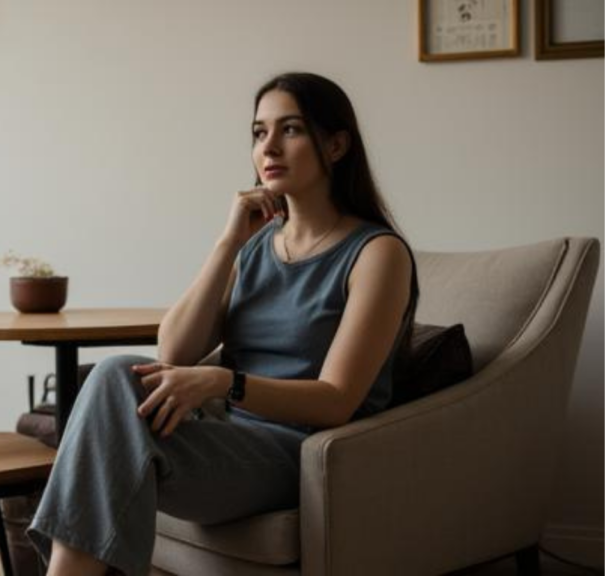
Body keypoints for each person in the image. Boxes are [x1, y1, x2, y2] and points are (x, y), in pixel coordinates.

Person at [27, 71, 419, 576]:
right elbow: (174, 348)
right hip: (227, 438)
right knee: (114, 374)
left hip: (300, 456)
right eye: (259, 133)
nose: (269, 148)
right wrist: (228, 242)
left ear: (337, 144)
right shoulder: (255, 245)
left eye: (291, 130)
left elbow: (338, 400)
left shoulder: (376, 254)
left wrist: (224, 382)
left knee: (110, 399)